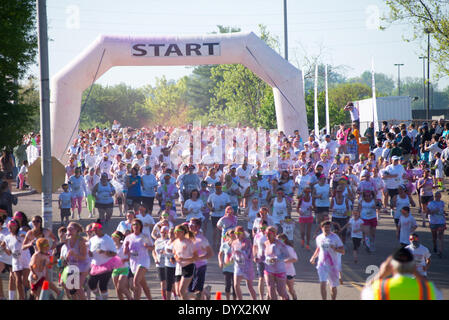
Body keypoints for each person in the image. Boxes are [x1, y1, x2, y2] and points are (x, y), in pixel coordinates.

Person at [361, 247, 441, 300]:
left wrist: (381, 275)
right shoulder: (429, 290)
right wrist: (417, 273)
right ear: (413, 266)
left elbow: (365, 292)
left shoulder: (378, 289)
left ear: (391, 266)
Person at [310, 221, 345, 300]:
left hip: (333, 266)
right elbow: (318, 249)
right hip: (322, 265)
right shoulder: (319, 238)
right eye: (325, 227)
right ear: (322, 228)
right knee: (322, 284)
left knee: (333, 287)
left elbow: (343, 251)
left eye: (329, 227)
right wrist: (313, 257)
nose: (327, 229)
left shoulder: (335, 237)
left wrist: (335, 249)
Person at [87, 222, 121, 300]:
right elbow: (91, 254)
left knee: (103, 285)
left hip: (107, 265)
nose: (94, 231)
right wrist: (90, 253)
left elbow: (114, 253)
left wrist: (104, 252)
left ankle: (104, 298)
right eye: (93, 230)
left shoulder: (107, 239)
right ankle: (98, 297)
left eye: (96, 229)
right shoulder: (92, 240)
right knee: (91, 283)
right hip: (95, 265)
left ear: (101, 229)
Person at [123, 218, 154, 300]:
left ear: (141, 226)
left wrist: (147, 246)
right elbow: (125, 252)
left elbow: (153, 247)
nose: (135, 226)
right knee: (143, 285)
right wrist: (126, 246)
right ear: (131, 227)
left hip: (143, 261)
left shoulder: (144, 236)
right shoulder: (128, 237)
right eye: (134, 224)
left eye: (137, 224)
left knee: (135, 281)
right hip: (134, 263)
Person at [1, 219, 30, 300]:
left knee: (25, 281)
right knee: (18, 282)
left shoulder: (21, 234)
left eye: (12, 224)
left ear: (16, 226)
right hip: (15, 261)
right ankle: (22, 298)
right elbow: (9, 253)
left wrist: (27, 238)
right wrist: (3, 248)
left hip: (25, 259)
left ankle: (34, 292)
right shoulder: (7, 238)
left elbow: (30, 238)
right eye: (8, 225)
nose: (10, 226)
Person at [60, 222, 89, 300]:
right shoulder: (67, 241)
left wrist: (74, 255)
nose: (69, 229)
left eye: (71, 228)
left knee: (78, 287)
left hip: (83, 265)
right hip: (72, 265)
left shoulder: (81, 241)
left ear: (76, 230)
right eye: (68, 228)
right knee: (67, 285)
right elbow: (64, 252)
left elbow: (84, 257)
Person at [229, 225, 257, 300]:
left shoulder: (247, 242)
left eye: (239, 232)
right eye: (236, 232)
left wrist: (241, 252)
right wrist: (232, 257)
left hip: (247, 266)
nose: (237, 234)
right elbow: (232, 252)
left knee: (249, 286)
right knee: (235, 285)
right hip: (238, 266)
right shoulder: (234, 242)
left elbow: (250, 255)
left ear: (242, 233)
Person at [188, 218, 213, 300]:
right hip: (189, 266)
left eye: (192, 225)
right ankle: (206, 291)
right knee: (189, 291)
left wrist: (198, 258)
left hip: (200, 266)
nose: (190, 226)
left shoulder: (202, 239)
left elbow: (210, 254)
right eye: (189, 225)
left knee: (197, 291)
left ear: (198, 227)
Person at [172, 223, 199, 300]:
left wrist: (184, 259)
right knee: (179, 292)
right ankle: (197, 296)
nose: (175, 232)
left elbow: (195, 257)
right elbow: (175, 253)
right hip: (179, 267)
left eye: (177, 231)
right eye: (174, 231)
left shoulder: (189, 242)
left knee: (182, 290)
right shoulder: (175, 242)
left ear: (182, 232)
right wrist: (175, 258)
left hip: (188, 266)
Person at [207, 182, 231, 251]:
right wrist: (210, 208)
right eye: (217, 188)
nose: (218, 189)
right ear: (215, 188)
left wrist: (224, 206)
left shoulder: (225, 195)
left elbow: (228, 204)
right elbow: (208, 203)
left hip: (223, 215)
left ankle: (221, 243)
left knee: (222, 230)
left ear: (221, 187)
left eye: (219, 188)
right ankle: (214, 243)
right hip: (214, 215)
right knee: (214, 230)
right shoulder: (212, 195)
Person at [277, 233, 298, 300]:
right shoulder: (276, 248)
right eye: (277, 240)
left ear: (284, 240)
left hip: (289, 272)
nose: (279, 241)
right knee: (281, 290)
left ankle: (294, 297)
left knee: (290, 289)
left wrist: (284, 261)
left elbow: (295, 259)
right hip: (279, 272)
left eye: (280, 240)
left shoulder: (289, 248)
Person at [426, 191, 446, 257]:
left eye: (439, 196)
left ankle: (440, 251)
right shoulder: (431, 203)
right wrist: (433, 211)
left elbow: (442, 210)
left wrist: (444, 213)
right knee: (434, 237)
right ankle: (435, 245)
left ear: (440, 196)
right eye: (436, 196)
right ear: (434, 197)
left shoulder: (442, 203)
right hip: (433, 222)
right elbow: (427, 212)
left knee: (440, 236)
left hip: (441, 222)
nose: (438, 197)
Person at [218, 229, 236, 300]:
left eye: (235, 232)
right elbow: (220, 254)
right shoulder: (224, 245)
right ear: (228, 235)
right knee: (227, 285)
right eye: (232, 232)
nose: (234, 234)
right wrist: (220, 262)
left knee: (235, 286)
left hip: (236, 268)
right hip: (227, 267)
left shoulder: (238, 244)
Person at [297, 185, 313, 250]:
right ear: (304, 192)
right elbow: (297, 208)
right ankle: (303, 240)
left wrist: (312, 208)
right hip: (302, 217)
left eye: (308, 192)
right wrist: (299, 212)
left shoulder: (312, 199)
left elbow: (315, 208)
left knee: (308, 232)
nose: (307, 193)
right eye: (306, 192)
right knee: (302, 232)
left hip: (309, 217)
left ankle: (308, 244)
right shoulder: (301, 199)